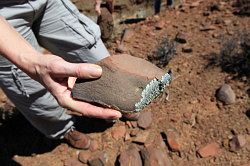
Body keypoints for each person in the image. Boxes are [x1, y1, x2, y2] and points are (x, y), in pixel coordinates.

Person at [0, 0, 122, 150]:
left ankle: (119, 103)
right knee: (29, 88)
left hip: (47, 2)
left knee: (98, 59)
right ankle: (63, 129)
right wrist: (35, 64)